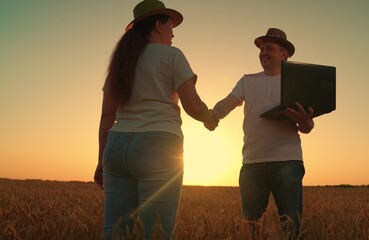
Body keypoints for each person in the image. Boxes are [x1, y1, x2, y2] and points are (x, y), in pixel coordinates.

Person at [93, 0, 218, 238]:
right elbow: (192, 106)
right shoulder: (172, 55)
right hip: (159, 146)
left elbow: (107, 115)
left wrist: (102, 161)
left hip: (117, 146)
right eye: (171, 26)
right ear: (159, 26)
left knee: (116, 232)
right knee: (156, 233)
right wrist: (210, 118)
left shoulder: (121, 61)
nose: (173, 33)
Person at [211, 28, 314, 235]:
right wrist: (213, 114)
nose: (263, 53)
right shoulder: (248, 81)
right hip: (252, 164)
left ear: (283, 54)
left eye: (269, 48)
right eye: (261, 49)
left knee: (291, 227)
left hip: (287, 162)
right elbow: (229, 102)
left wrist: (304, 121)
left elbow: (307, 127)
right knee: (250, 228)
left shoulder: (295, 83)